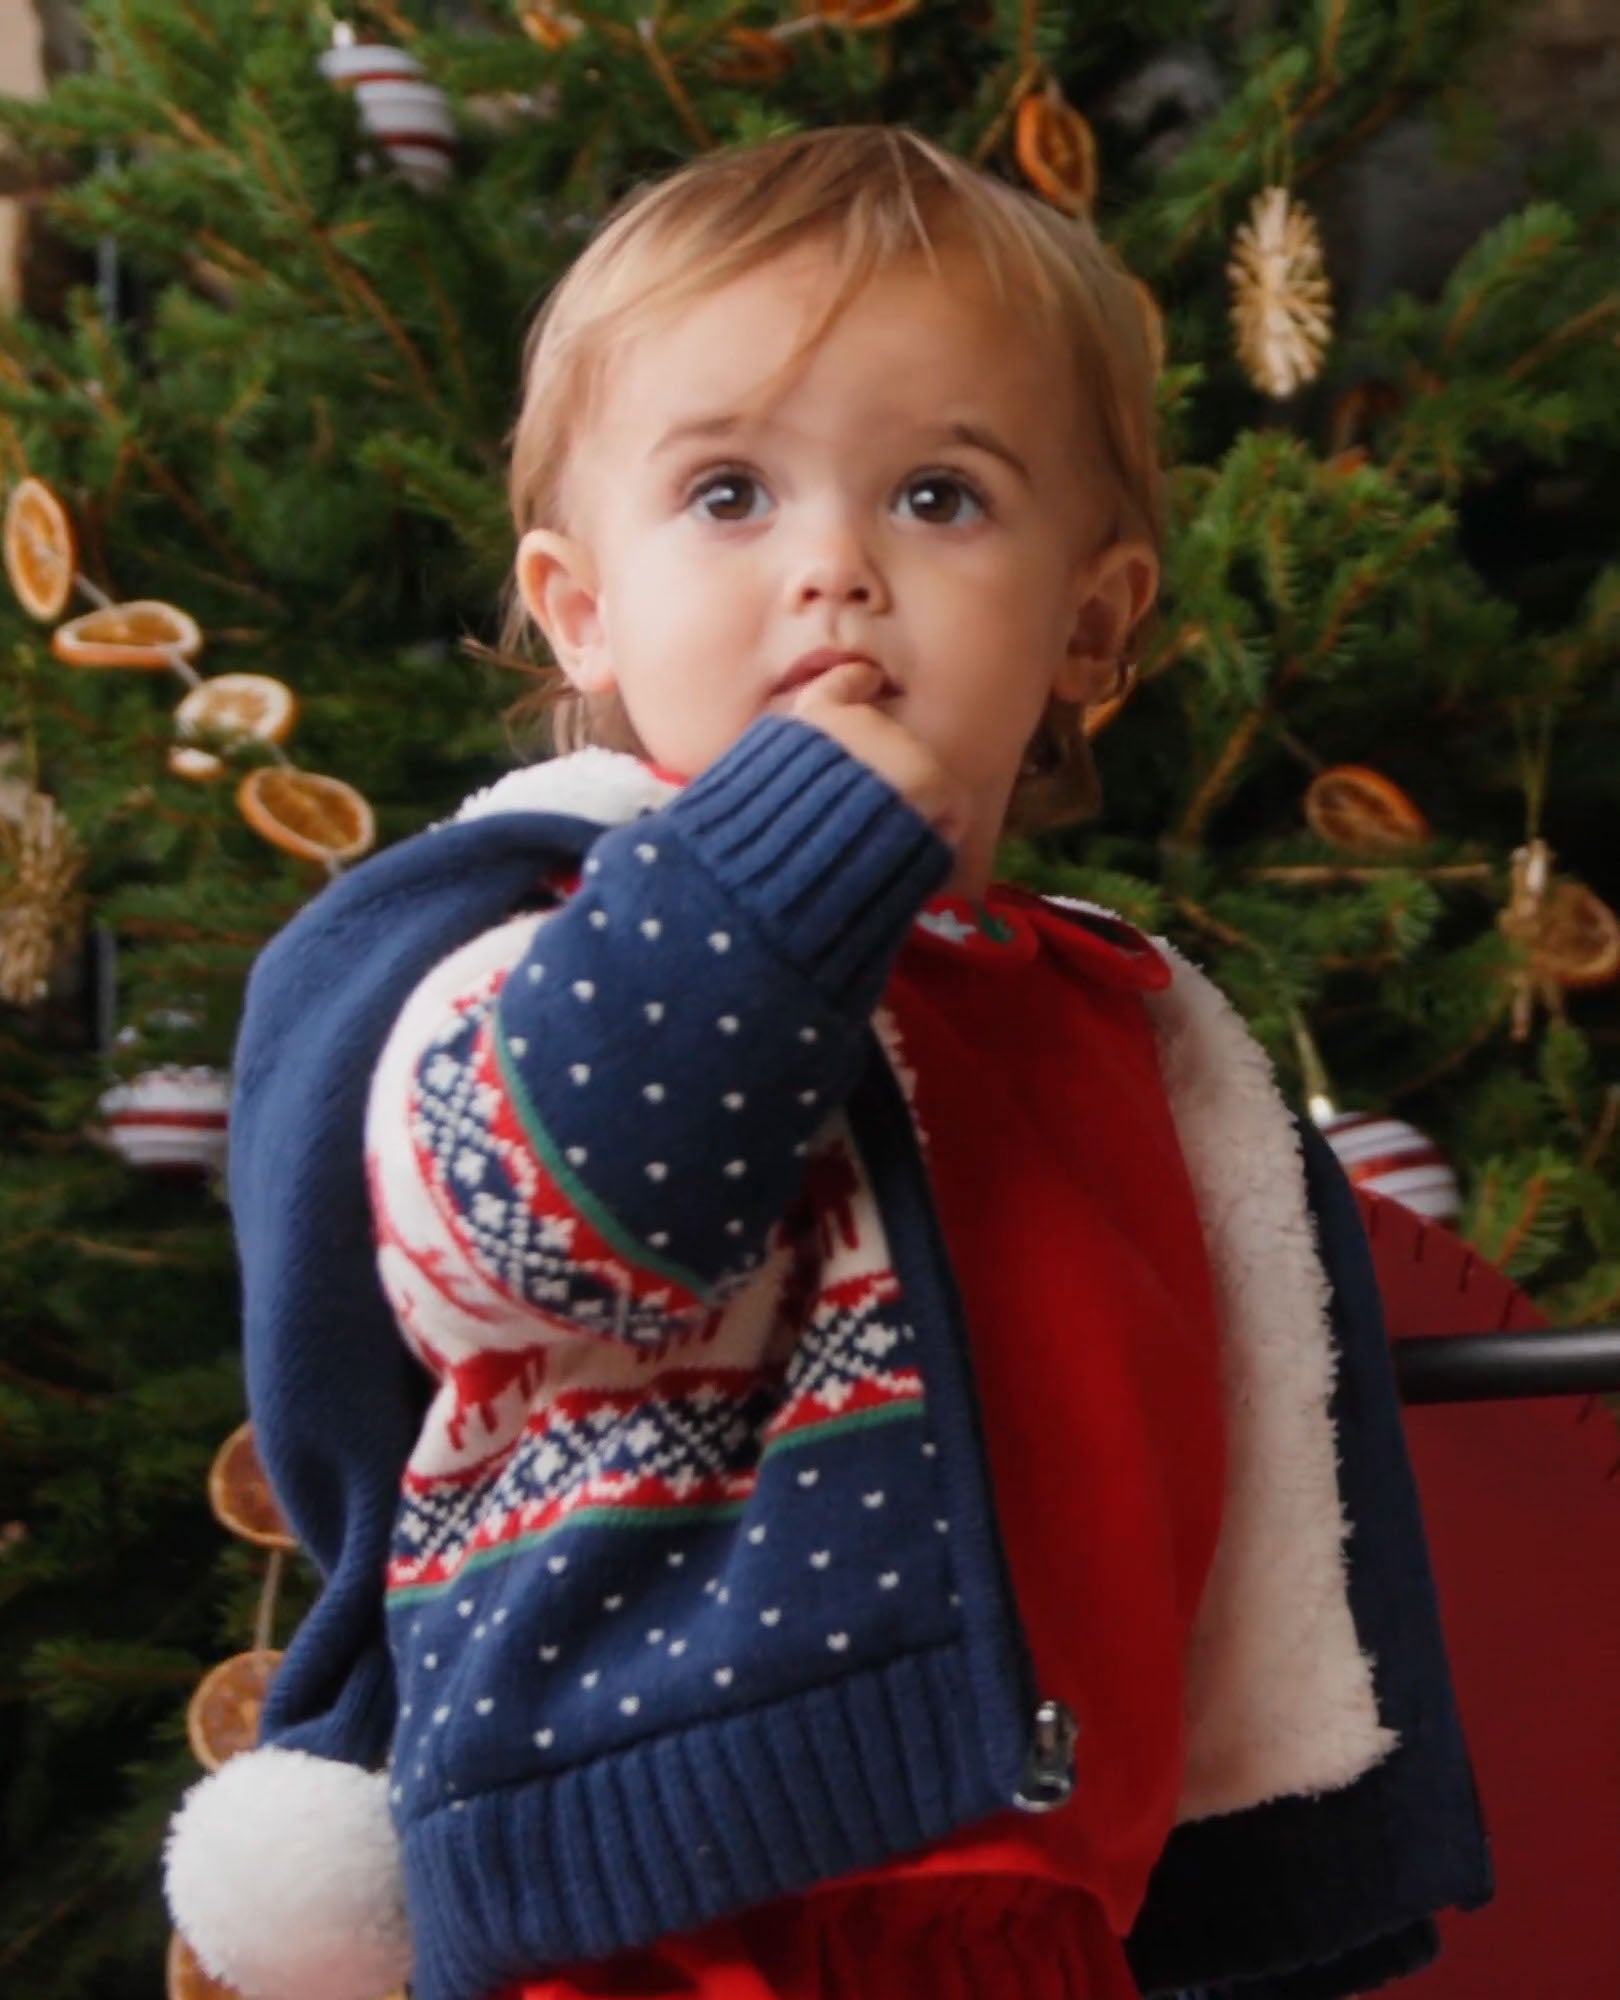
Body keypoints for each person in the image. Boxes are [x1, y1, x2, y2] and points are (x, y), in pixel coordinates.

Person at [164, 127, 1490, 2000]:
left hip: (1040, 1906)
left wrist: (1269, 1870)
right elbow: (521, 1226)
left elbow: (1235, 1458)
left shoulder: (1115, 1016)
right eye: (727, 493)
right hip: (667, 1887)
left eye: (940, 496)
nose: (834, 571)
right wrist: (787, 859)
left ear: (1090, 623)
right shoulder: (538, 939)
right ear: (583, 608)